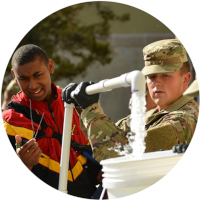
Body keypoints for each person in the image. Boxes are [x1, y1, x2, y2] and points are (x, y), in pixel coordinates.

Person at [63, 39, 199, 163]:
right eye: (151, 77)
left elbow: (119, 158)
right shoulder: (155, 114)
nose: (156, 83)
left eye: (166, 76)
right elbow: (106, 138)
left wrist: (91, 109)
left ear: (186, 79)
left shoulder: (182, 120)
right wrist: (81, 105)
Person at [2, 44, 102, 198]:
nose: (32, 85)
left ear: (50, 66)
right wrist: (25, 164)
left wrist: (102, 172)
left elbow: (88, 152)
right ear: (14, 76)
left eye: (37, 75)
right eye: (23, 78)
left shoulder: (74, 102)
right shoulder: (9, 121)